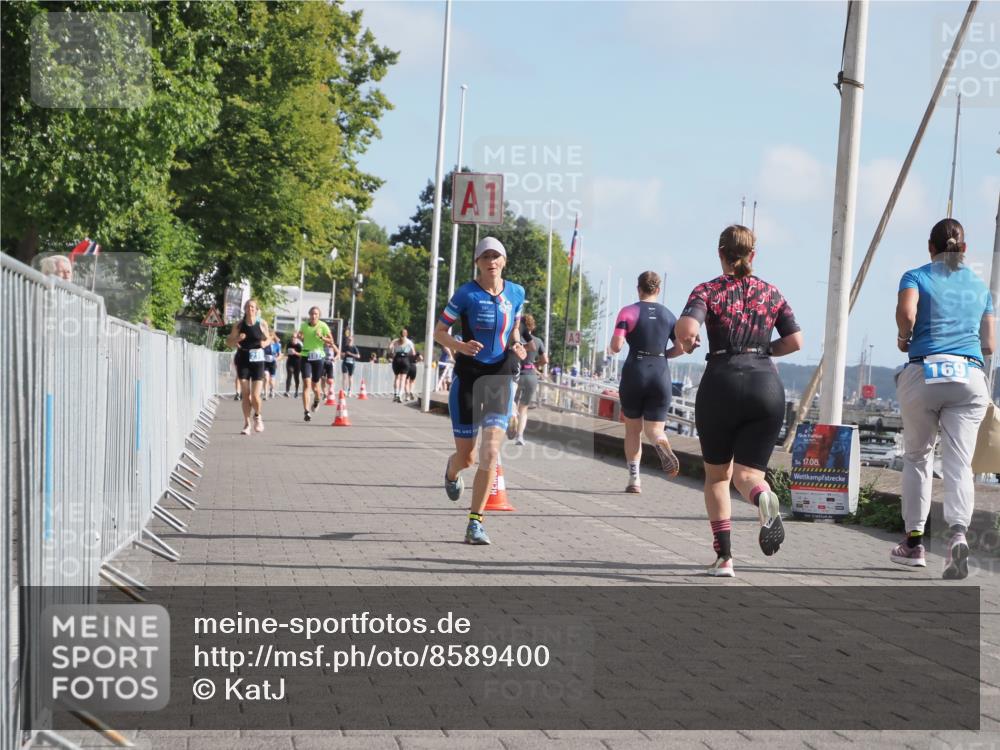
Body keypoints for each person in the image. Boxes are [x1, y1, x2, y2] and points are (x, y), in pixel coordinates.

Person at [674, 225, 802, 577]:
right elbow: (795, 341)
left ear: (720, 254)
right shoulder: (771, 293)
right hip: (767, 387)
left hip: (722, 382)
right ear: (753, 255)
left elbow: (685, 330)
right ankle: (762, 496)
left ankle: (725, 558)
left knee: (718, 477)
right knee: (748, 475)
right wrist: (764, 350)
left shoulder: (708, 291)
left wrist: (688, 342)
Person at [892, 218, 993, 579]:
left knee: (918, 456)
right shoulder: (980, 287)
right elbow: (990, 343)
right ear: (963, 250)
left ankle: (914, 544)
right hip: (969, 376)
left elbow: (907, 313)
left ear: (930, 248)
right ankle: (958, 538)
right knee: (959, 463)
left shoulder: (915, 276)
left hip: (925, 371)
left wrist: (905, 336)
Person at [434, 237, 527, 545]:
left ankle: (475, 522)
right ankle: (451, 470)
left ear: (504, 261)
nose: (491, 262)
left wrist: (517, 344)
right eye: (485, 256)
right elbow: (439, 332)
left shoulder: (516, 292)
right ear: (477, 262)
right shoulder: (466, 294)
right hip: (469, 376)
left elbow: (514, 327)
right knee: (468, 457)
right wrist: (460, 346)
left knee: (490, 452)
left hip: (499, 375)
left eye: (496, 256)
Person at [608, 272, 684, 493]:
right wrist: (662, 355)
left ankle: (635, 479)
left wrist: (613, 346)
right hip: (660, 373)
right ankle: (660, 440)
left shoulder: (628, 312)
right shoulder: (670, 316)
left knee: (633, 430)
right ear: (658, 290)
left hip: (635, 372)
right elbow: (680, 348)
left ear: (638, 288)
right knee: (655, 429)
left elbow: (617, 345)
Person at [225, 299, 271, 435]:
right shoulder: (239, 325)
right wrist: (237, 339)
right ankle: (246, 424)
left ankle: (257, 416)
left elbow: (269, 338)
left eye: (253, 307)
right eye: (248, 307)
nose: (250, 309)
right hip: (243, 359)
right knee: (245, 394)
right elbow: (229, 342)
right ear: (244, 309)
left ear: (256, 310)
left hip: (258, 361)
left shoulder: (262, 323)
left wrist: (265, 343)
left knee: (256, 396)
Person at [507, 314, 546, 446]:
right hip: (531, 375)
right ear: (533, 326)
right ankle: (520, 436)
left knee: (513, 402)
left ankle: (512, 417)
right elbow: (545, 360)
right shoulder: (538, 341)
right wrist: (536, 365)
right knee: (524, 408)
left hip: (516, 375)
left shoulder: (516, 339)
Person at [296, 307, 335, 421]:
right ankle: (306, 411)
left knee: (315, 386)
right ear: (309, 315)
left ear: (319, 316)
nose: (314, 316)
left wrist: (322, 337)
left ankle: (317, 399)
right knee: (307, 384)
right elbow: (300, 335)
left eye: (316, 314)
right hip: (306, 356)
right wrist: (300, 336)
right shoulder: (304, 325)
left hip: (318, 357)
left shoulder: (323, 326)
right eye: (312, 314)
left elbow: (331, 341)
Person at [388, 328, 416, 403]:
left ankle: (396, 394)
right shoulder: (409, 342)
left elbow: (390, 348)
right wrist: (407, 353)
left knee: (397, 377)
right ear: (407, 334)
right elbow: (413, 353)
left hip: (397, 359)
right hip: (405, 359)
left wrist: (393, 350)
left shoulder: (395, 341)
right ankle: (400, 394)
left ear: (400, 334)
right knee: (403, 379)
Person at [262, 330, 281, 400]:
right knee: (266, 377)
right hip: (265, 363)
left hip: (272, 363)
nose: (268, 337)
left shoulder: (277, 345)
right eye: (267, 336)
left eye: (270, 336)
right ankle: (265, 394)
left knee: (271, 380)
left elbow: (280, 355)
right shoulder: (264, 344)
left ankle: (272, 390)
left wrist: (276, 359)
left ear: (272, 337)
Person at [284, 332, 303, 398]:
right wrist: (286, 353)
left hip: (297, 362)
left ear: (297, 338)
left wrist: (295, 353)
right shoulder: (289, 344)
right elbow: (286, 352)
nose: (293, 338)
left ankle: (296, 391)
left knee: (296, 377)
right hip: (290, 362)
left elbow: (302, 354)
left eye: (294, 337)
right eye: (292, 337)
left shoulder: (299, 345)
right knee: (289, 374)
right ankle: (287, 391)